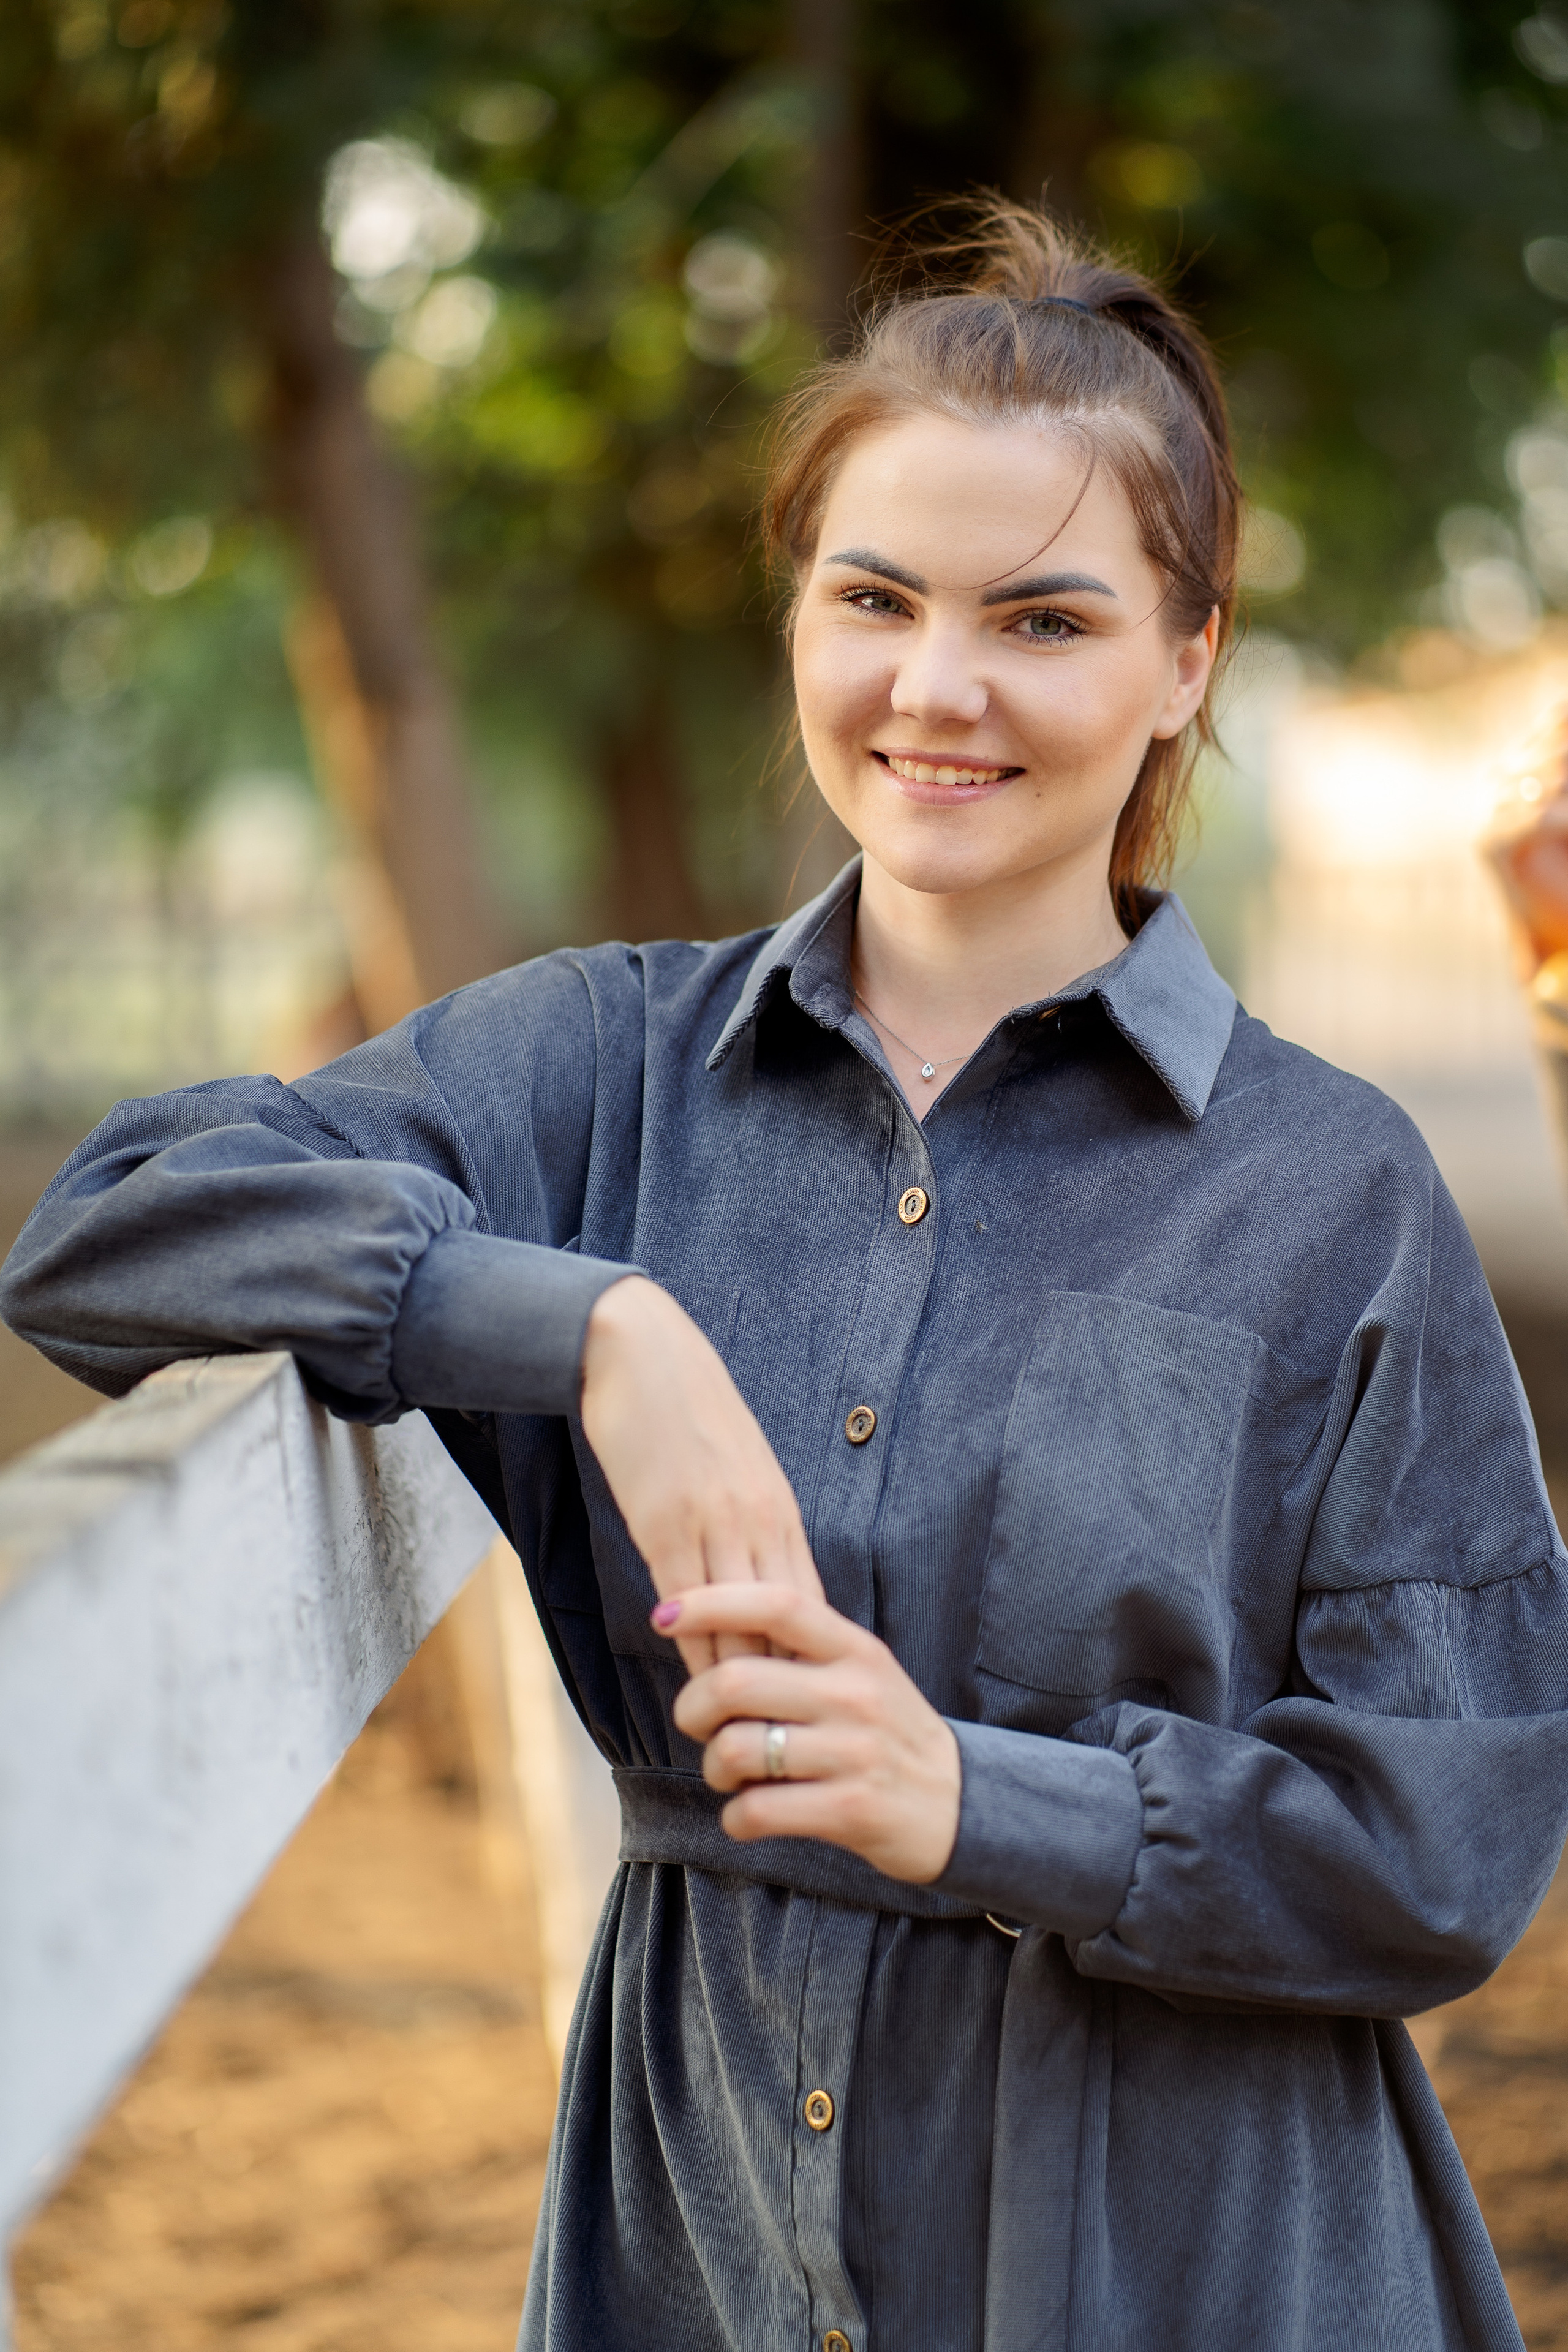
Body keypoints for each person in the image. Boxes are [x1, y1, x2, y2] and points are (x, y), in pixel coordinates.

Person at [4, 200, 1566, 2352]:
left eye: (1043, 619)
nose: (938, 687)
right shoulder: (593, 1070)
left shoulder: (1334, 1189)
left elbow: (1451, 1836)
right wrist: (593, 1326)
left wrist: (982, 1800)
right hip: (704, 2230)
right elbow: (109, 1226)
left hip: (1195, 2262)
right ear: (802, 613)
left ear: (1187, 658)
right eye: (875, 598)